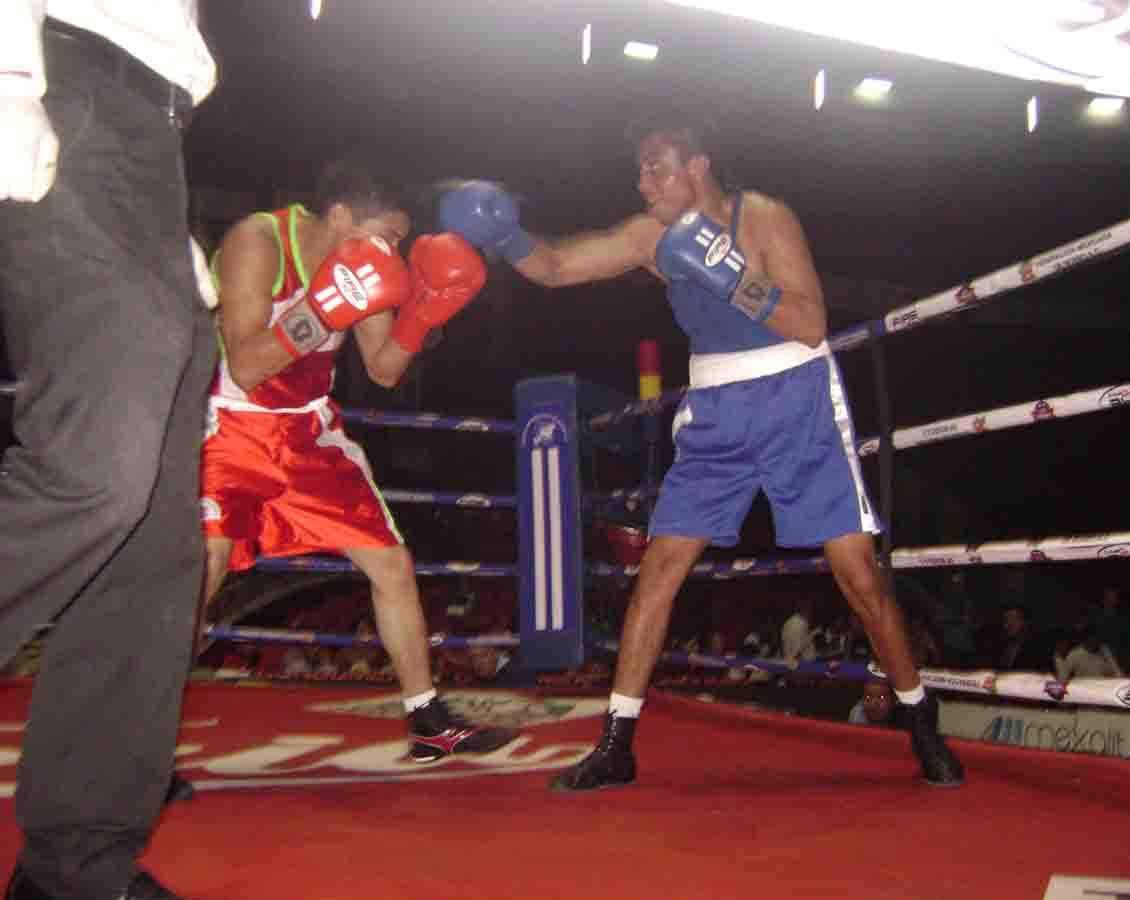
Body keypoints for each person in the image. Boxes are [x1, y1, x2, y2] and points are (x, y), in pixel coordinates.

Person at [438, 114, 964, 790]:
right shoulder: (649, 236)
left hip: (795, 398)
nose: (642, 182)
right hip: (716, 411)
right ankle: (617, 743)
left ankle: (919, 716)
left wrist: (729, 277)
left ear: (698, 167)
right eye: (639, 170)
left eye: (656, 168)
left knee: (858, 577)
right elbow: (557, 266)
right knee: (658, 570)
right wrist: (505, 234)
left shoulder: (765, 217)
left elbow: (809, 323)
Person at [0, 5, 219, 899]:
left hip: (150, 140)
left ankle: (75, 874)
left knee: (154, 544)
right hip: (65, 78)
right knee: (95, 472)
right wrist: (9, 75)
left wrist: (166, 226)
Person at [201, 160, 518, 764]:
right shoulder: (258, 242)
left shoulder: (366, 266)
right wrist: (324, 309)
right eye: (388, 235)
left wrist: (424, 311)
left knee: (392, 564)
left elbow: (384, 369)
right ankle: (141, 736)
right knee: (204, 570)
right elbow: (246, 365)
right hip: (231, 423)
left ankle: (427, 720)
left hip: (308, 431)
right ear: (341, 215)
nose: (391, 251)